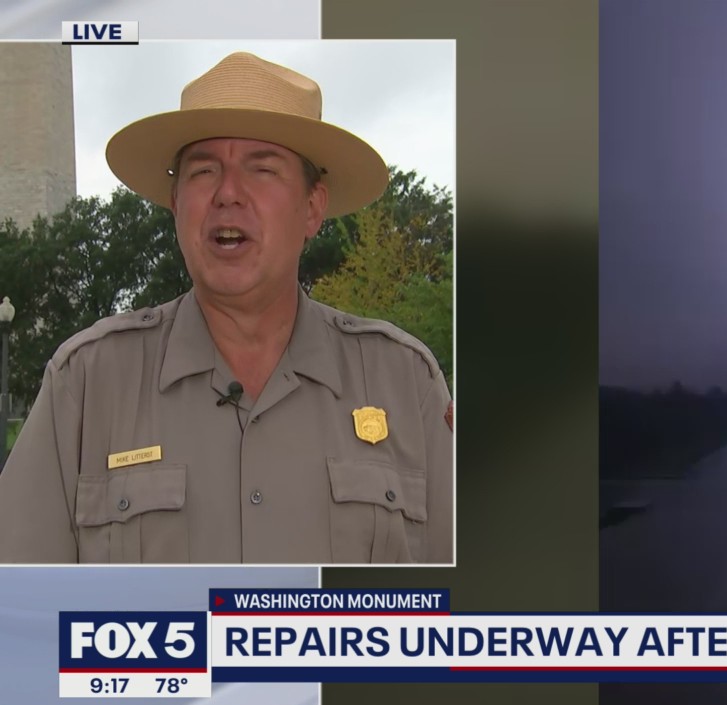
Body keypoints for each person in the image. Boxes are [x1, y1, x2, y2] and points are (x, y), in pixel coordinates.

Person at [0, 51, 453, 564]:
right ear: (176, 203)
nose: (228, 194)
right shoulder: (85, 385)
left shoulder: (406, 383)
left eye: (262, 170)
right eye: (203, 171)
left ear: (312, 207)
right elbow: (19, 619)